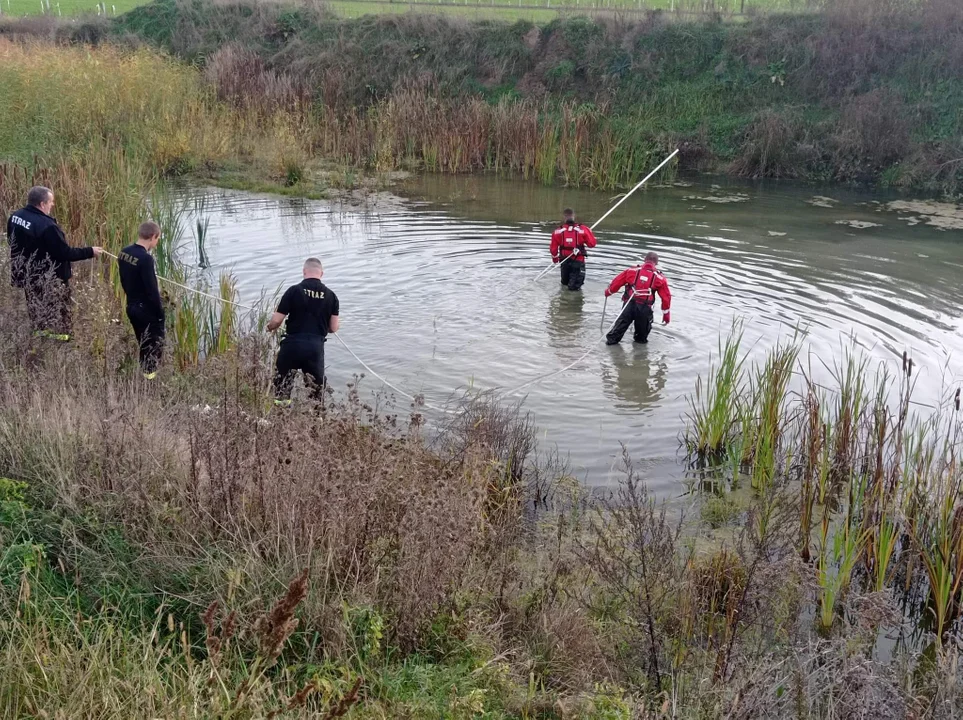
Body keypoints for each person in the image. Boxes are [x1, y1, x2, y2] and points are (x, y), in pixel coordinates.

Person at [6, 186, 103, 340]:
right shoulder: (48, 226)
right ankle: (62, 339)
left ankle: (40, 335)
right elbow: (64, 253)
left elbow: (12, 243)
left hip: (26, 273)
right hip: (49, 277)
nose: (53, 205)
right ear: (42, 203)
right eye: (51, 202)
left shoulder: (15, 216)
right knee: (60, 309)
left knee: (34, 305)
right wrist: (90, 251)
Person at [268, 257, 340, 406]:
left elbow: (276, 321)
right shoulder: (331, 296)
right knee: (316, 391)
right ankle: (316, 421)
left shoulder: (294, 291)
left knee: (283, 386)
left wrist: (269, 327)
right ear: (322, 273)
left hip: (292, 345)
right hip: (315, 348)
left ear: (304, 272)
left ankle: (281, 415)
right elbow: (333, 328)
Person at [118, 221, 165, 379]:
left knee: (143, 344)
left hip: (131, 306)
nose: (156, 243)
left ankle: (145, 378)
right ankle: (150, 380)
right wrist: (160, 314)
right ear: (153, 236)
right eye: (157, 239)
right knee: (154, 347)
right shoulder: (146, 259)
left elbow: (124, 281)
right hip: (146, 310)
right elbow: (152, 291)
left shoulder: (124, 253)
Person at [604, 251, 671, 345]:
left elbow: (616, 283)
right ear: (656, 263)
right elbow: (666, 298)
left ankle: (611, 348)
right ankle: (639, 357)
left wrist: (608, 292)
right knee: (641, 339)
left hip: (628, 305)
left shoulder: (631, 271)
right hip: (645, 309)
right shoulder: (660, 278)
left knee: (614, 336)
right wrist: (666, 314)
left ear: (644, 259)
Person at [550, 208, 597, 291]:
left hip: (564, 261)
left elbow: (553, 250)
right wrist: (590, 232)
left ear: (564, 217)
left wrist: (555, 259)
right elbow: (592, 244)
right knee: (574, 288)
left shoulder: (557, 232)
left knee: (565, 283)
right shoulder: (583, 230)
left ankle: (564, 302)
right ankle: (573, 302)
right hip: (578, 262)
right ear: (574, 216)